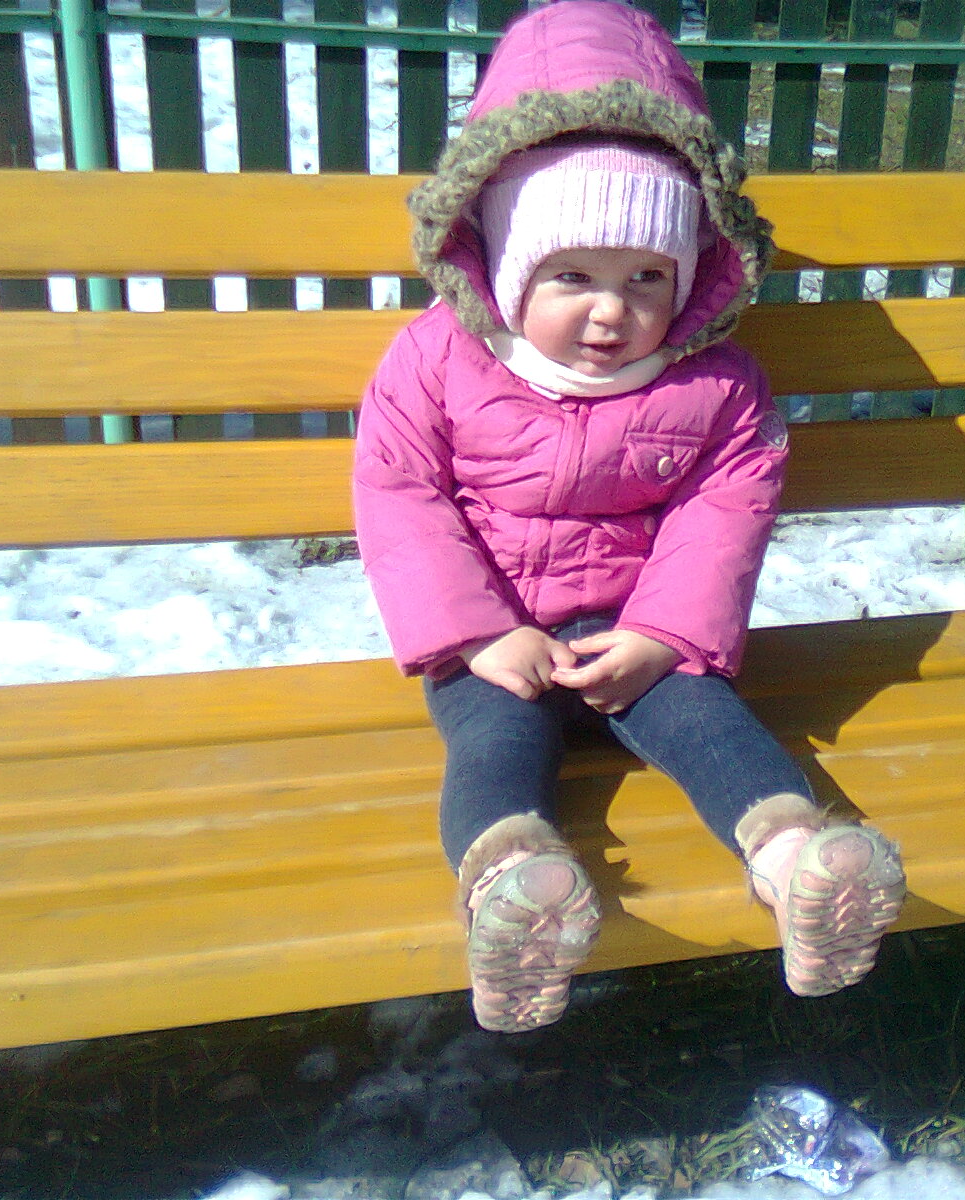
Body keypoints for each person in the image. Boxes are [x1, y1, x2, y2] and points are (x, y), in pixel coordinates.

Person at [353, 0, 904, 1034]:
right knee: (494, 746)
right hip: (491, 644)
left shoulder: (716, 382)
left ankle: (799, 866)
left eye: (646, 278)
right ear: (508, 264)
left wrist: (660, 635)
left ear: (688, 274)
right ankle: (515, 889)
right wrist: (477, 635)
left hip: (635, 634)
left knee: (710, 724)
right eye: (573, 276)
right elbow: (398, 490)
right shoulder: (436, 358)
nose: (611, 311)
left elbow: (727, 505)